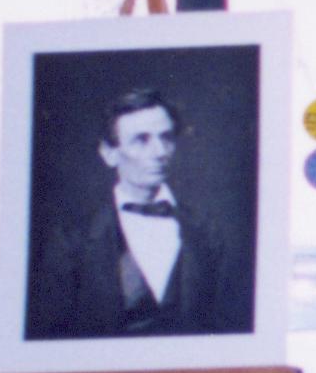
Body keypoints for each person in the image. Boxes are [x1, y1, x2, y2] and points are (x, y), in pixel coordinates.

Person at [26, 86, 241, 340]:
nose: (160, 152)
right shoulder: (72, 239)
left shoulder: (208, 231)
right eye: (142, 140)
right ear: (109, 153)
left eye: (166, 138)